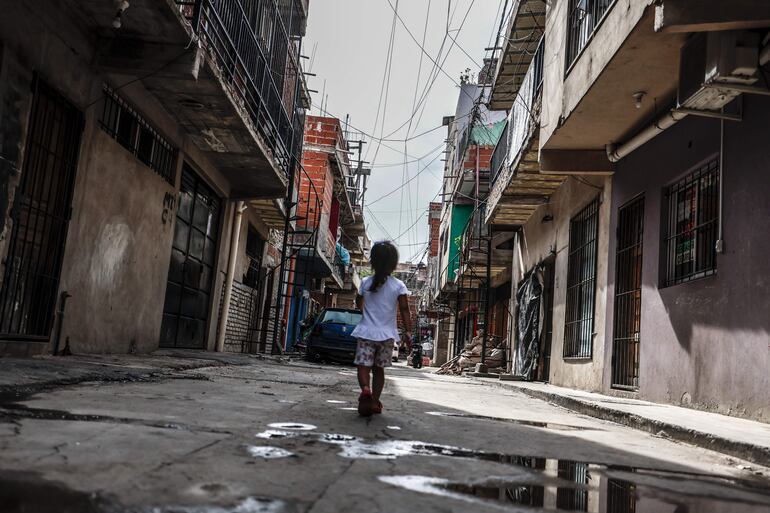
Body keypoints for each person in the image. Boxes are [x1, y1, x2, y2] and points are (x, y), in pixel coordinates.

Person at [350, 241, 412, 417]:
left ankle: (365, 389)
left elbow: (359, 302)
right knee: (379, 370)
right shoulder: (399, 286)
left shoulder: (364, 282)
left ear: (373, 262)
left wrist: (366, 315)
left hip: (366, 332)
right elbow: (405, 310)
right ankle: (375, 402)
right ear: (393, 264)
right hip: (386, 336)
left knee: (363, 365)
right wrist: (408, 332)